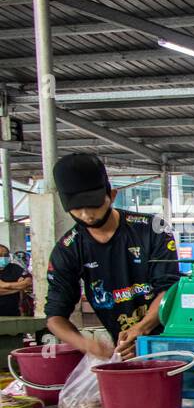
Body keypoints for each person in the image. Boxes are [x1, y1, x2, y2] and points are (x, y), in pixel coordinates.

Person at [45, 152, 180, 358]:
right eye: (77, 209)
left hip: (172, 340)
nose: (87, 215)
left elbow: (169, 289)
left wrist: (142, 329)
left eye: (94, 206)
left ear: (113, 195)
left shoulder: (153, 230)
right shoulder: (67, 249)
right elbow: (55, 316)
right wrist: (87, 345)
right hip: (123, 349)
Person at [0, 245, 33, 317]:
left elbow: (29, 282)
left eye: (5, 255)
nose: (3, 258)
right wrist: (19, 287)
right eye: (0, 255)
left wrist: (5, 285)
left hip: (14, 313)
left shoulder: (14, 267)